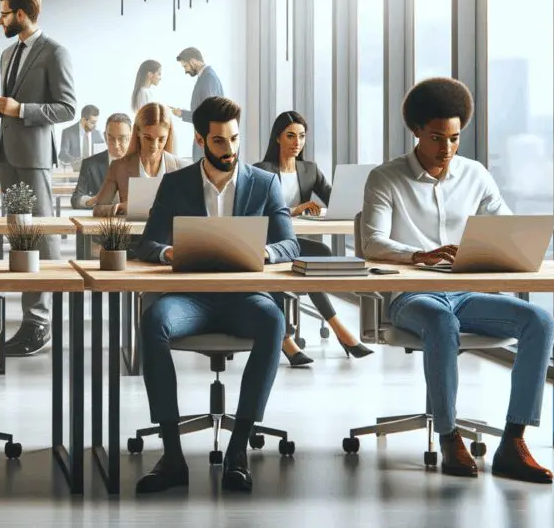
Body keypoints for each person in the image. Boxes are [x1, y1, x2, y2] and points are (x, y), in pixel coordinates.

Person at [360, 77, 554, 484]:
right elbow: (372, 241)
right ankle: (449, 436)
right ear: (416, 131)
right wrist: (417, 255)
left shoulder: (475, 175)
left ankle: (513, 442)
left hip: (465, 292)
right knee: (440, 323)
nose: (446, 150)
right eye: (437, 138)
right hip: (411, 296)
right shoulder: (386, 177)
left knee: (540, 322)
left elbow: (507, 224)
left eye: (454, 138)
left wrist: (512, 243)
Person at [132, 96, 299, 494]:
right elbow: (146, 244)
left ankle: (238, 451)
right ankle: (172, 455)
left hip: (244, 297)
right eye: (220, 142)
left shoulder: (265, 183)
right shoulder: (176, 184)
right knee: (154, 320)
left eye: (235, 140)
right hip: (191, 298)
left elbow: (290, 246)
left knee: (274, 319)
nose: (230, 150)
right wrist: (167, 251)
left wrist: (266, 252)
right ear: (200, 139)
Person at [0, 0, 76, 357]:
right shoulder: (7, 53)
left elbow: (67, 108)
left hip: (34, 155)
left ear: (20, 14)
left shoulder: (55, 52)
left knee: (40, 237)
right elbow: (9, 104)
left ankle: (40, 321)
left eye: (3, 13)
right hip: (8, 153)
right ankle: (27, 318)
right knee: (18, 237)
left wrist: (20, 110)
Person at [255, 111, 372, 367]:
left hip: (293, 242)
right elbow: (256, 213)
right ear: (278, 138)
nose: (297, 142)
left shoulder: (309, 170)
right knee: (302, 260)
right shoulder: (261, 171)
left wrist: (354, 200)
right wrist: (293, 210)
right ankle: (300, 337)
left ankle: (329, 330)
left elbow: (332, 197)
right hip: (267, 244)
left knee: (318, 254)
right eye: (290, 136)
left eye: (302, 136)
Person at [90, 103, 183, 217]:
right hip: (133, 234)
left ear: (169, 134)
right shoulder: (119, 166)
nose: (154, 146)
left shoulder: (182, 167)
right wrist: (120, 207)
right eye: (148, 138)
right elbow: (98, 210)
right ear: (138, 131)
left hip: (170, 234)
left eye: (161, 139)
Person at [71, 113, 132, 210]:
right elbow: (76, 199)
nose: (116, 145)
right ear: (105, 137)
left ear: (131, 137)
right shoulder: (90, 164)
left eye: (121, 138)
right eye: (111, 138)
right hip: (101, 220)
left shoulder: (142, 162)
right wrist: (93, 200)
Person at [172, 47, 223, 161]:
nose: (185, 71)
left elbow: (208, 114)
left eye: (185, 66)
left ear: (193, 61)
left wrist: (182, 114)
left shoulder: (208, 78)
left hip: (206, 144)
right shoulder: (207, 77)